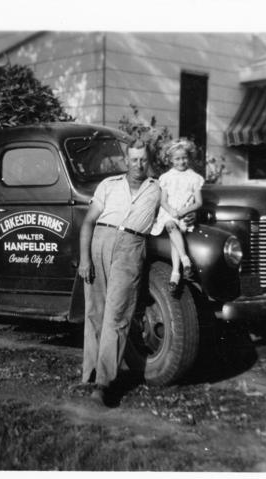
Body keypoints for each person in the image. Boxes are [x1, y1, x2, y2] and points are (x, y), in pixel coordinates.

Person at [77, 142, 161, 406]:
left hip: (131, 248)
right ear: (126, 160)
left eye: (143, 160)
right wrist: (84, 259)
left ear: (149, 161)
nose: (138, 164)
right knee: (95, 312)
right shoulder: (108, 185)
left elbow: (176, 209)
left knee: (117, 315)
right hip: (100, 241)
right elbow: (88, 222)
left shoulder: (157, 189)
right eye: (134, 159)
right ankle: (89, 375)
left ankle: (103, 385)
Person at [150, 139, 204, 292]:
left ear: (189, 157)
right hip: (169, 213)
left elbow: (199, 202)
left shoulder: (194, 178)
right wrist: (171, 210)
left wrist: (184, 211)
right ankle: (185, 260)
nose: (181, 162)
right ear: (171, 160)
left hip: (184, 214)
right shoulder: (166, 177)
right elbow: (163, 201)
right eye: (177, 159)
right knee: (170, 225)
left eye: (184, 158)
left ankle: (175, 273)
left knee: (175, 238)